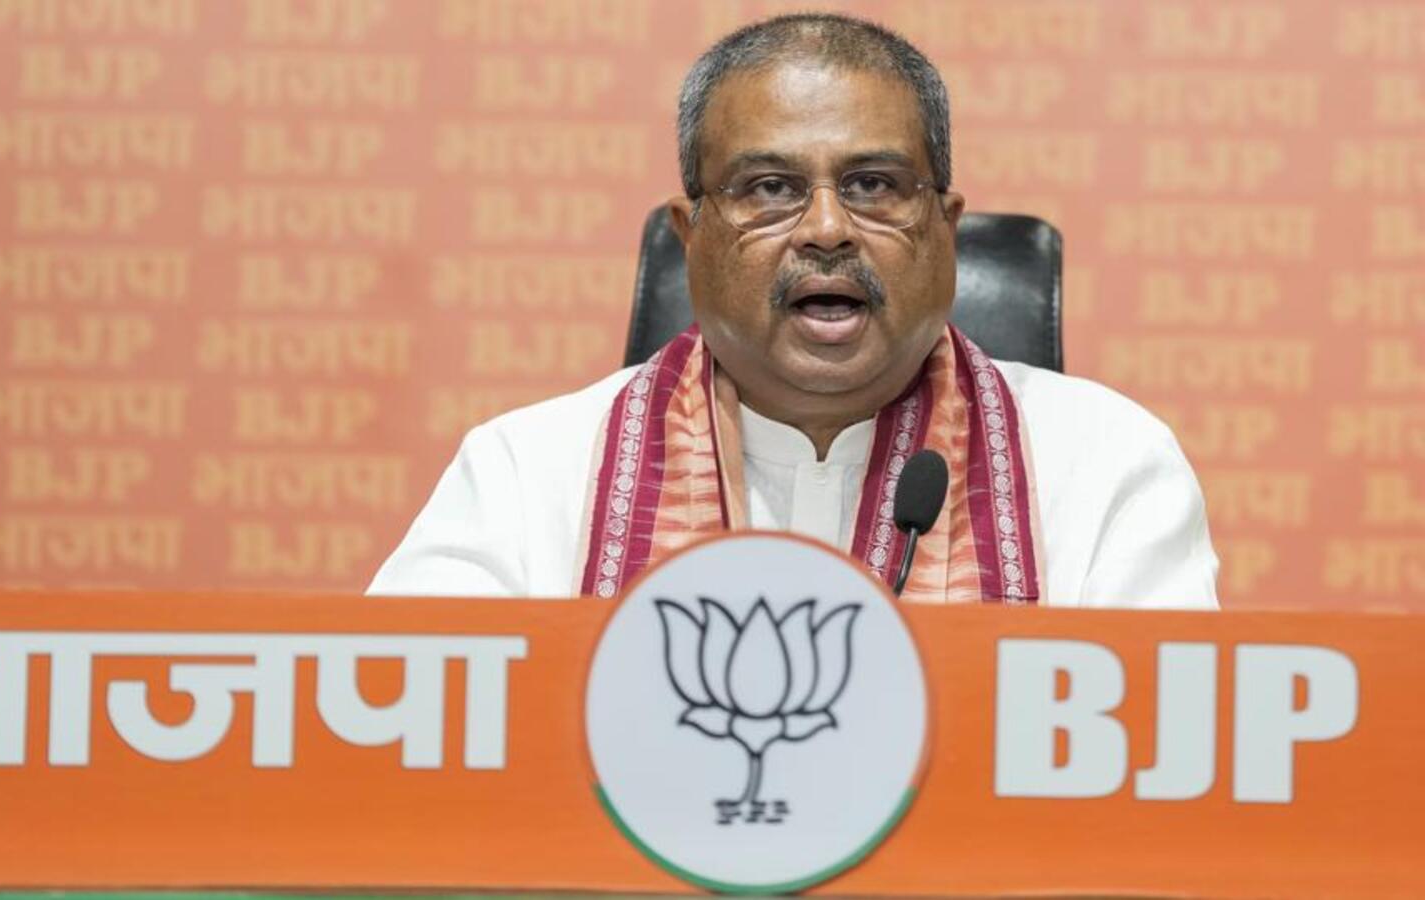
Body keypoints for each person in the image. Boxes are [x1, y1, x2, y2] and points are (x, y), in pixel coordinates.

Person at [370, 13, 1218, 608]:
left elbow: (1158, 775)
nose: (826, 229)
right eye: (771, 188)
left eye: (873, 185)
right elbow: (413, 759)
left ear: (945, 228)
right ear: (691, 235)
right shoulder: (528, 473)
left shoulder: (1106, 465)